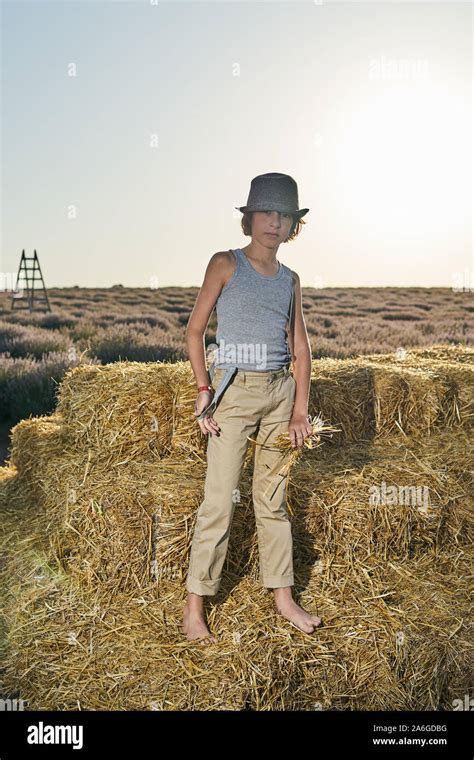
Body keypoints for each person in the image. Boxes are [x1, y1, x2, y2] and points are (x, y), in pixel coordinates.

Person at [182, 172, 323, 644]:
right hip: (234, 396)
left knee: (273, 501)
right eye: (266, 212)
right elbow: (194, 331)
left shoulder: (291, 280)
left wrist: (300, 409)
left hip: (279, 397)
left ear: (292, 226)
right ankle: (195, 605)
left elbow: (300, 346)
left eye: (283, 215)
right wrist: (205, 390)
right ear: (249, 218)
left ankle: (283, 597)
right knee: (219, 501)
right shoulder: (226, 263)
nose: (274, 222)